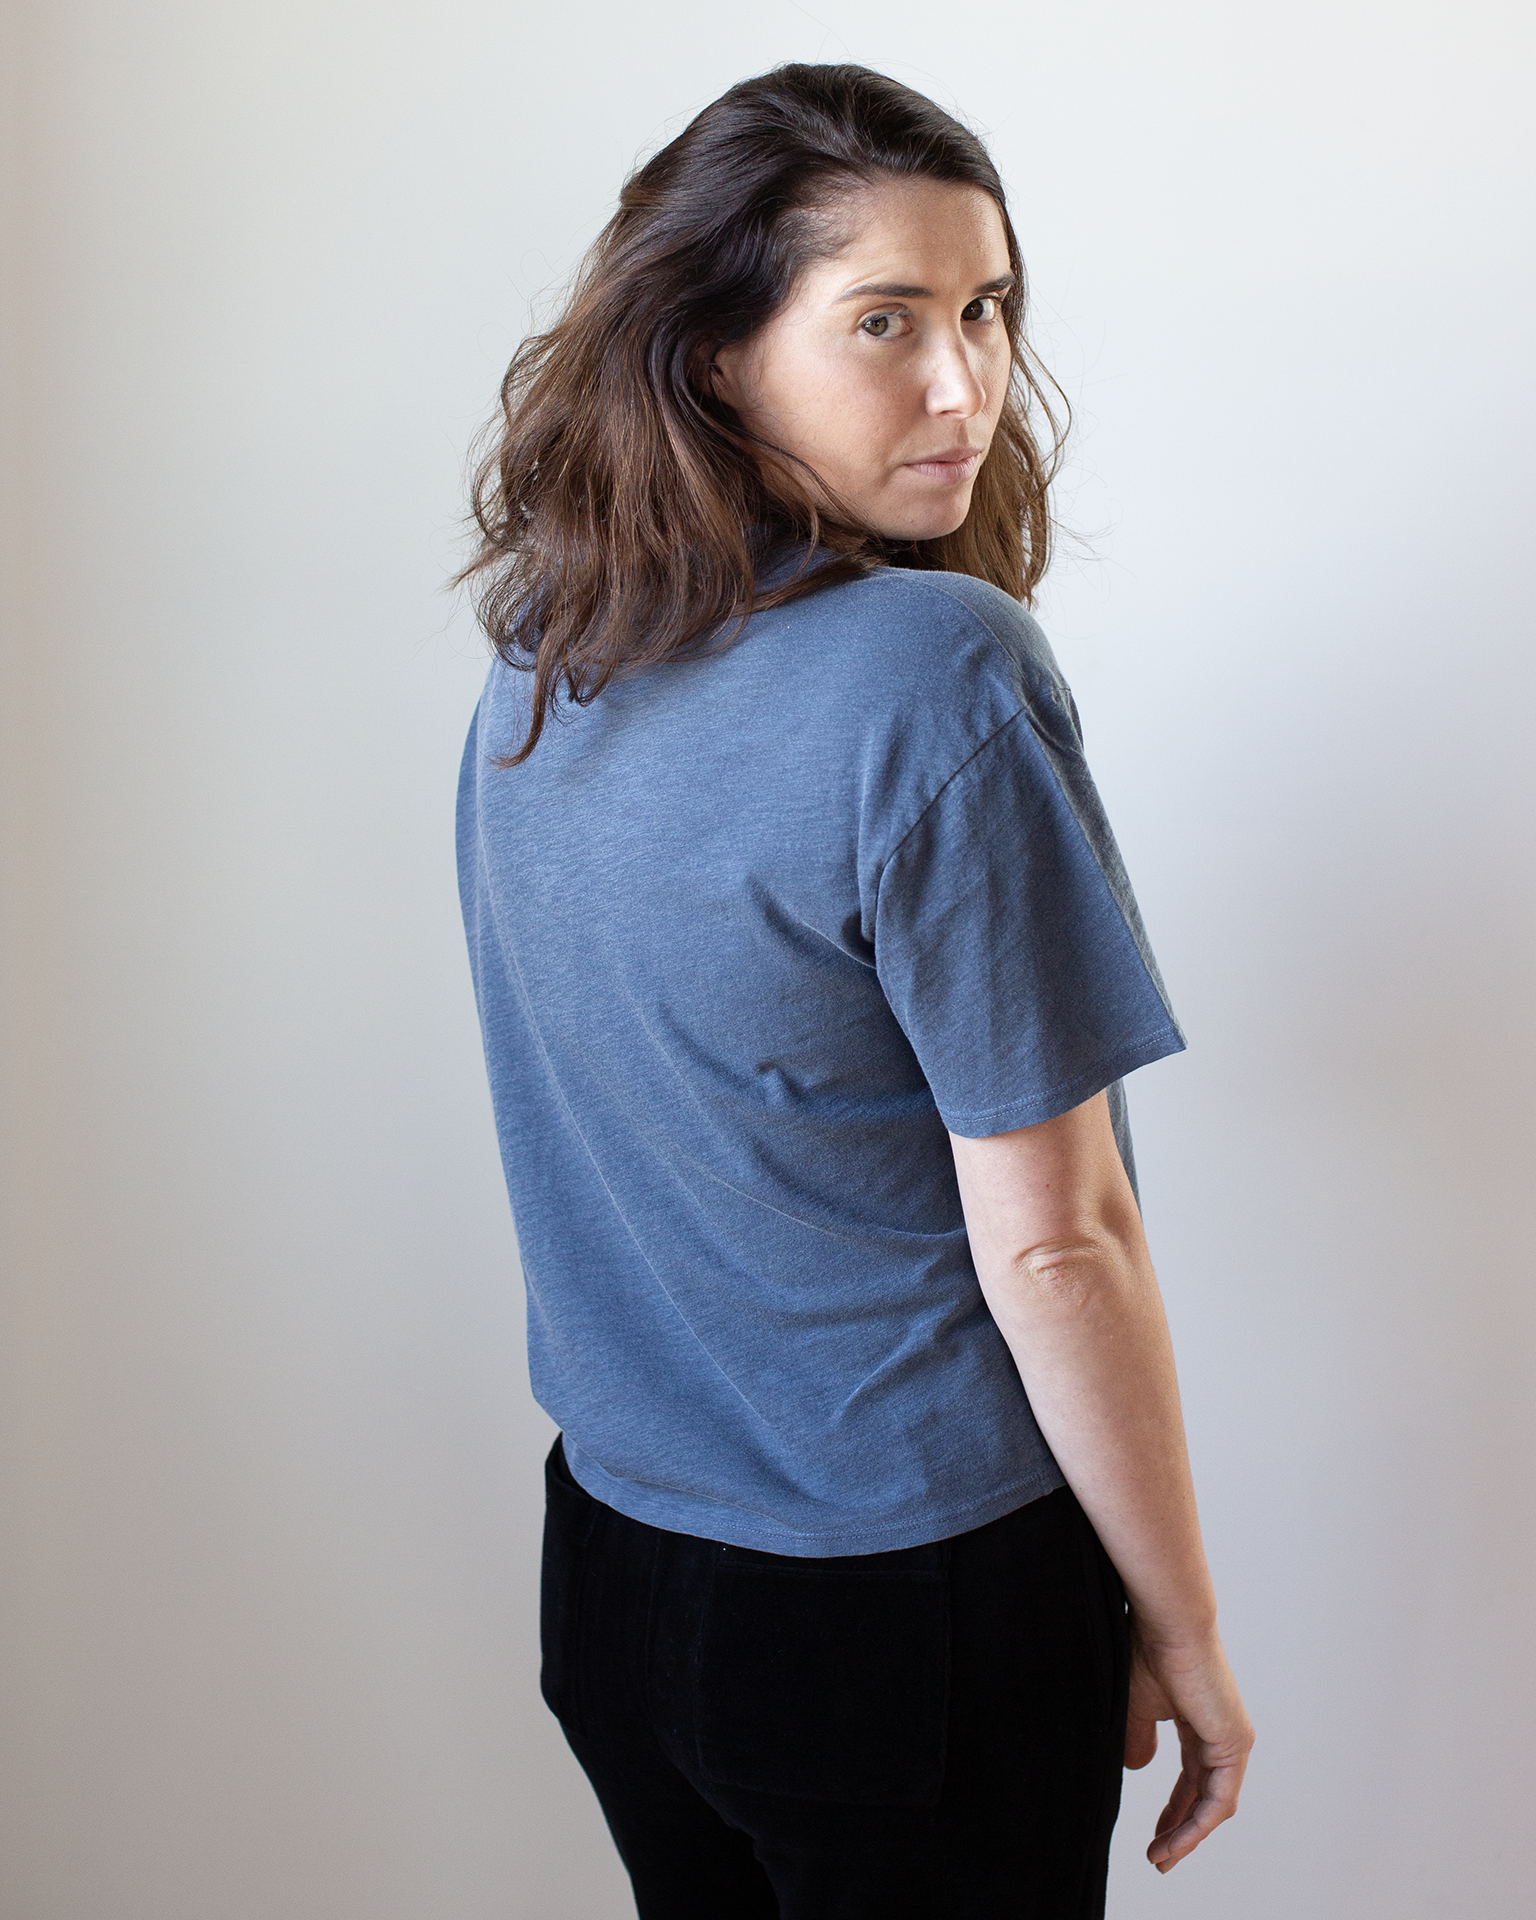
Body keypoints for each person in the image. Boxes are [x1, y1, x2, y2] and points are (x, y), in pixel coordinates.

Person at [456, 62, 1253, 1919]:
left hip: (617, 1571)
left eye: (986, 310)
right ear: (715, 356)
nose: (965, 385)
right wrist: (1182, 1625)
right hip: (904, 1613)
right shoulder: (934, 671)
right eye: (885, 321)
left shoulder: (546, 651)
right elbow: (1060, 1241)